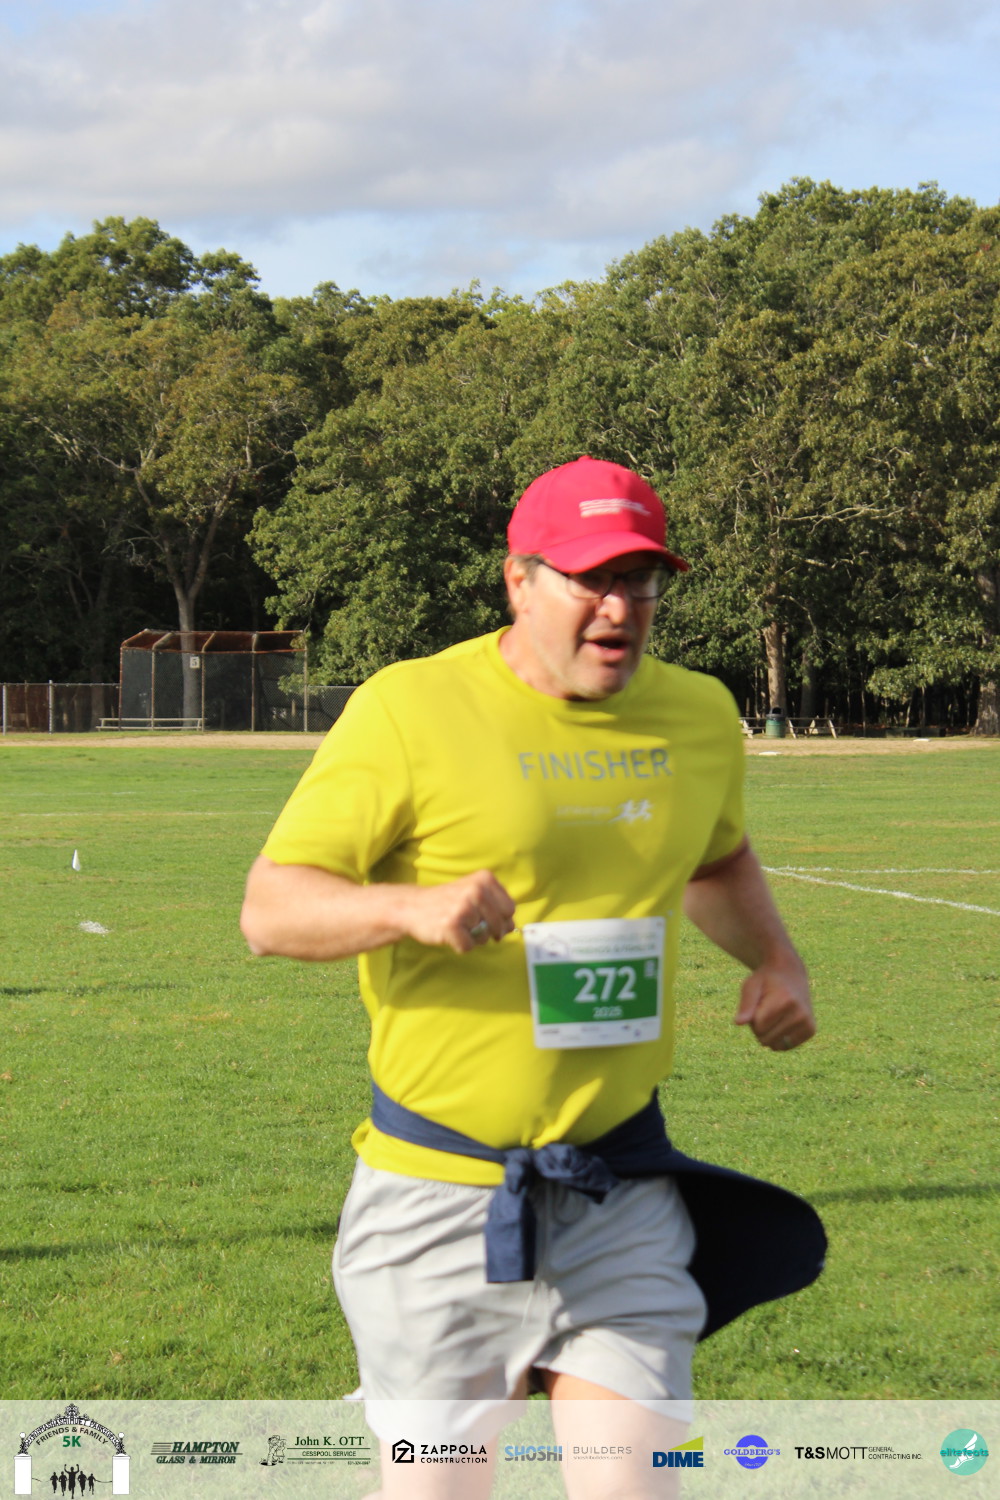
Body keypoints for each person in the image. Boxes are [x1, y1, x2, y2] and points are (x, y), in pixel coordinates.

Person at [241, 456, 823, 1499]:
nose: (620, 607)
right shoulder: (411, 709)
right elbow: (270, 909)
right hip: (437, 1203)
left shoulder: (697, 715)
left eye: (641, 580)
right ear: (519, 581)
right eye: (591, 578)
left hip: (618, 1195)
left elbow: (716, 859)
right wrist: (409, 909)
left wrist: (776, 960)